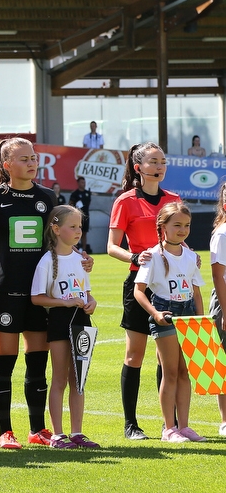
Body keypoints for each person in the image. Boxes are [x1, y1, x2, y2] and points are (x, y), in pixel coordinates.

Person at [0, 138, 62, 449]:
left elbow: (56, 239)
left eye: (33, 157)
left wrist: (78, 257)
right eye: (23, 159)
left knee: (37, 362)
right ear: (6, 165)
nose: (32, 163)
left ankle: (37, 429)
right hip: (6, 289)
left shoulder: (47, 196)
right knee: (5, 360)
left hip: (40, 291)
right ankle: (5, 431)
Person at [107, 142, 181, 440]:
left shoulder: (173, 198)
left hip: (169, 284)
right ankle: (130, 425)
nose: (160, 166)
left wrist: (189, 254)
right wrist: (134, 257)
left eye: (163, 161)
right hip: (139, 284)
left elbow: (179, 235)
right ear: (138, 168)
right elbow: (111, 247)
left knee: (168, 358)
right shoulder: (125, 201)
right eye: (153, 161)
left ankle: (171, 424)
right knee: (134, 355)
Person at [134, 201, 206, 443]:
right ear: (162, 226)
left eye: (186, 225)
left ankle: (184, 426)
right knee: (171, 372)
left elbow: (196, 292)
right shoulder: (152, 256)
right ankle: (169, 428)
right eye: (177, 225)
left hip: (188, 315)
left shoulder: (192, 256)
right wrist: (155, 313)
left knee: (186, 372)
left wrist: (200, 321)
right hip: (165, 315)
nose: (182, 230)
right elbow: (139, 291)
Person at [30, 205, 100, 449]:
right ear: (57, 229)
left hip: (82, 321)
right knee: (59, 378)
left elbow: (87, 292)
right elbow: (36, 297)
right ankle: (58, 435)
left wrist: (91, 302)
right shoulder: (47, 260)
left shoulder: (81, 259)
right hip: (60, 321)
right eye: (72, 227)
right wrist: (63, 302)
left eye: (80, 226)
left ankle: (77, 432)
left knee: (78, 379)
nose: (78, 231)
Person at [203, 185, 226, 437]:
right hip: (225, 300)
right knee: (223, 363)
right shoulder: (222, 233)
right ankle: (224, 420)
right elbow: (218, 276)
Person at [69, 176, 92, 252]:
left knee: (84, 233)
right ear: (78, 183)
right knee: (76, 232)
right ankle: (76, 249)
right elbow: (70, 204)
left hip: (86, 216)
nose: (83, 184)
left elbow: (88, 203)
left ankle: (84, 249)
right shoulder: (75, 194)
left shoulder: (87, 193)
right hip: (77, 217)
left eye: (84, 182)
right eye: (82, 182)